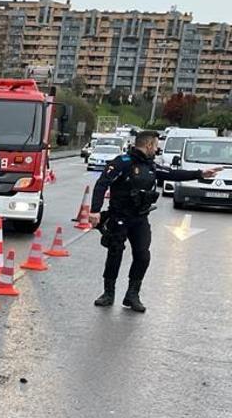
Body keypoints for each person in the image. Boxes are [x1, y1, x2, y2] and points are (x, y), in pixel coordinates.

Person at [89, 130, 217, 312]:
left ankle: (132, 295)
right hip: (119, 217)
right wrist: (95, 210)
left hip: (140, 218)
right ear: (148, 145)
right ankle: (108, 293)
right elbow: (102, 183)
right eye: (156, 145)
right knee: (115, 253)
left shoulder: (151, 166)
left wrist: (200, 174)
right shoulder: (122, 163)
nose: (157, 149)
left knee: (143, 255)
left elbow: (172, 174)